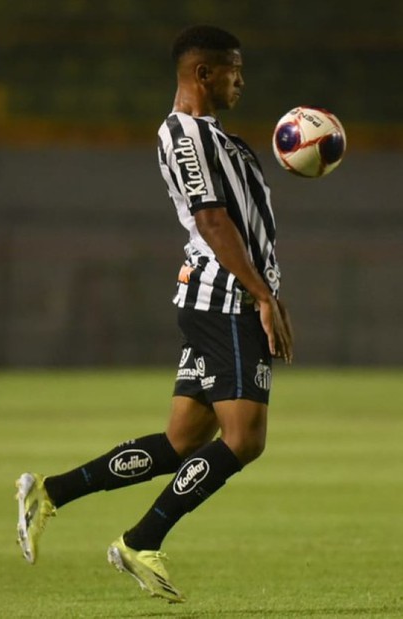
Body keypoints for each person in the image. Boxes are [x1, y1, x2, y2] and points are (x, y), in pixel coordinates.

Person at [15, 24, 293, 603]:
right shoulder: (185, 135)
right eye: (233, 69)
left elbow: (247, 228)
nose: (242, 80)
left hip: (225, 294)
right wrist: (261, 296)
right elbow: (214, 222)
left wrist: (270, 287)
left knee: (180, 442)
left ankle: (49, 492)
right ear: (203, 73)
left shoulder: (225, 141)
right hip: (224, 300)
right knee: (244, 440)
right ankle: (141, 540)